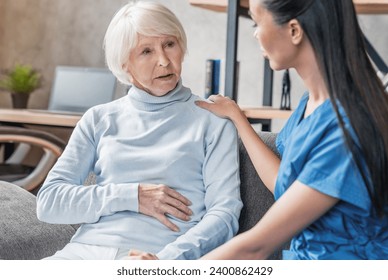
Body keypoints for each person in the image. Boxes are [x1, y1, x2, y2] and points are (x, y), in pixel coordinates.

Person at [36, 1, 242, 260]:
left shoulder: (212, 120)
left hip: (156, 255)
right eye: (146, 51)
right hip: (82, 254)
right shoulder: (99, 119)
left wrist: (167, 261)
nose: (164, 61)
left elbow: (225, 214)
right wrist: (131, 196)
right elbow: (49, 202)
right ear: (124, 64)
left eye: (170, 44)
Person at [196, 0, 388, 260]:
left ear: (295, 31)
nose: (255, 33)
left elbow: (255, 247)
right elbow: (285, 187)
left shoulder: (347, 130)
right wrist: (237, 117)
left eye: (256, 21)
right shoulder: (308, 106)